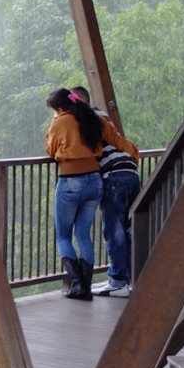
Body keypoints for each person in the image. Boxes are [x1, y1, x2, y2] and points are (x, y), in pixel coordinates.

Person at [45, 88, 135, 300]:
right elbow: (115, 139)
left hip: (70, 181)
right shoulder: (92, 118)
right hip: (95, 181)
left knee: (63, 235)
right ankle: (85, 285)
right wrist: (134, 153)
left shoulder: (61, 122)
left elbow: (50, 149)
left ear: (59, 109)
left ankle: (78, 285)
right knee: (83, 234)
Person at [70, 87, 141, 297]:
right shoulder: (101, 114)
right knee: (129, 229)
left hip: (113, 176)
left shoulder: (82, 119)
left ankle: (118, 281)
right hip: (130, 172)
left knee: (114, 230)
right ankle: (129, 279)